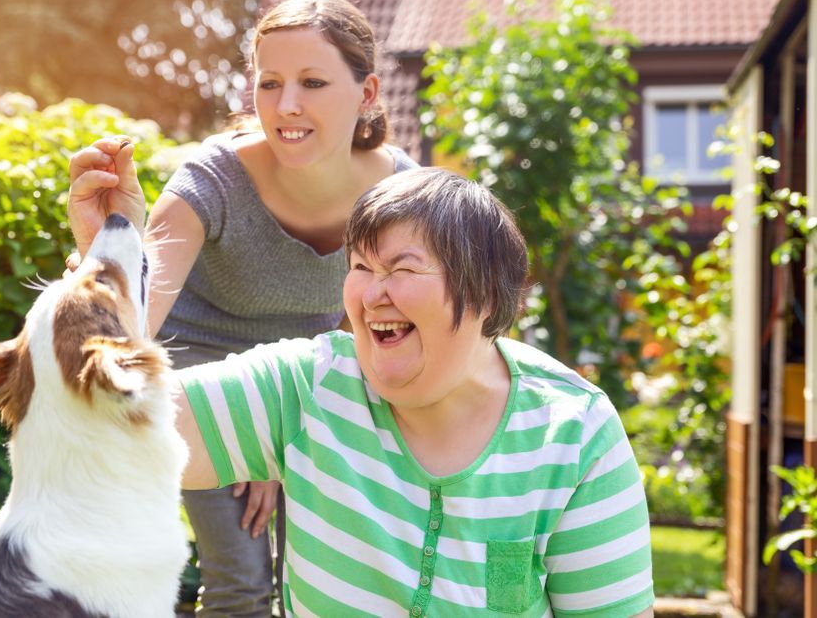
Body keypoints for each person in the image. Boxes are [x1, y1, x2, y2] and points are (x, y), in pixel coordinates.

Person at [67, 0, 418, 617]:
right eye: (270, 82)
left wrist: (289, 429)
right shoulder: (212, 179)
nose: (286, 106)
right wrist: (101, 248)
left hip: (316, 374)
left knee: (337, 581)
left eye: (313, 82)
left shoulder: (398, 192)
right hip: (196, 370)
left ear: (366, 94)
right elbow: (138, 314)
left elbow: (374, 321)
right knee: (244, 580)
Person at [175, 167, 656, 617]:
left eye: (403, 269)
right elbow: (126, 426)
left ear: (486, 295)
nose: (370, 295)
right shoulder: (309, 385)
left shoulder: (575, 433)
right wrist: (105, 254)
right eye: (361, 267)